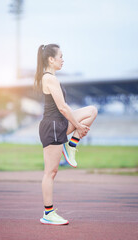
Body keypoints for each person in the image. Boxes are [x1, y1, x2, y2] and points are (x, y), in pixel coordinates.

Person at [34, 44, 97, 225]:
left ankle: (71, 145)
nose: (63, 59)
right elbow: (62, 107)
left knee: (91, 111)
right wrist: (77, 125)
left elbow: (63, 108)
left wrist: (77, 129)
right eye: (60, 56)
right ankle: (48, 213)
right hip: (52, 127)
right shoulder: (49, 79)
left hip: (59, 124)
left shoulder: (51, 78)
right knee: (51, 172)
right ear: (51, 59)